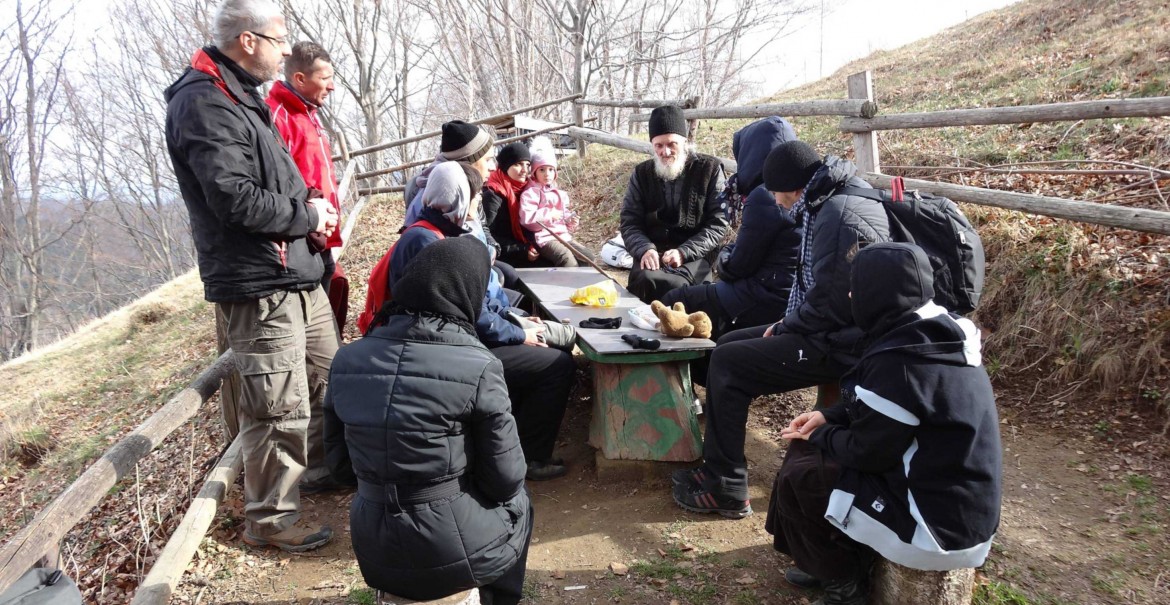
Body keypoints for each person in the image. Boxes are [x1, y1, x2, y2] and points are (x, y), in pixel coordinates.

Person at [164, 0, 337, 551]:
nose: (287, 50)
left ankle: (313, 480)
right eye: (280, 38)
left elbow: (274, 178)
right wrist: (307, 216)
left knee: (327, 377)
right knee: (277, 407)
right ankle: (272, 522)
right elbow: (233, 198)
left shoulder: (242, 96)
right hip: (261, 283)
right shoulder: (204, 102)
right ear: (248, 41)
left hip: (296, 274)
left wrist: (307, 203)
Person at [766, 242, 1002, 605]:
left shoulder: (904, 361)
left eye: (855, 287)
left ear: (877, 294)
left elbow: (868, 453)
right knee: (807, 449)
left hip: (935, 526)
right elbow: (891, 407)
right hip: (957, 498)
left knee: (807, 475)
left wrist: (823, 433)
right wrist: (828, 416)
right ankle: (822, 562)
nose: (849, 294)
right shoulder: (936, 332)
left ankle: (843, 584)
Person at [671, 140, 890, 518]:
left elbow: (831, 305)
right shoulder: (829, 200)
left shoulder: (836, 215)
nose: (773, 199)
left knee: (730, 362)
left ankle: (725, 484)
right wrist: (785, 322)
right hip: (830, 331)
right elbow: (818, 291)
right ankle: (719, 470)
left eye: (774, 191)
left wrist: (789, 325)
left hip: (843, 345)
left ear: (791, 186)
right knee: (727, 345)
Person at [326, 237, 532, 604]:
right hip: (449, 549)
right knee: (520, 501)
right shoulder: (480, 366)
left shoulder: (345, 361)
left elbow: (341, 470)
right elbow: (505, 480)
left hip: (374, 546)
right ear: (467, 291)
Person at [386, 162, 575, 481]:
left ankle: (512, 440)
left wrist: (515, 321)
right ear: (457, 199)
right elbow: (469, 316)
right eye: (473, 200)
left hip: (464, 337)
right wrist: (517, 335)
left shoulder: (439, 232)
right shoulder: (428, 242)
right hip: (447, 349)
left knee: (550, 346)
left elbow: (479, 303)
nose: (476, 209)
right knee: (556, 365)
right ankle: (530, 457)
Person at [660, 117, 802, 348]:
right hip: (784, 292)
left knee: (675, 300)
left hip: (762, 296)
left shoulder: (765, 196)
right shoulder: (797, 187)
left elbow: (739, 265)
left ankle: (677, 373)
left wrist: (724, 257)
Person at [266, 41, 349, 332]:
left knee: (326, 324)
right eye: (325, 78)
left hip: (321, 237)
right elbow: (276, 185)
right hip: (300, 241)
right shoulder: (276, 117)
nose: (332, 86)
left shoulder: (310, 114)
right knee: (309, 328)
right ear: (300, 79)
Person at [619, 105, 728, 304]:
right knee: (645, 280)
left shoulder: (709, 169)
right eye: (658, 145)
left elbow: (718, 223)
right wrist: (644, 248)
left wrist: (684, 252)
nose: (665, 151)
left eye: (672, 144)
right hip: (653, 250)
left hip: (696, 253)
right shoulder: (642, 173)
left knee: (678, 290)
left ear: (685, 142)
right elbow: (629, 221)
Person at [519, 152, 595, 267]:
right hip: (544, 238)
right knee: (567, 259)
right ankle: (567, 283)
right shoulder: (530, 193)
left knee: (587, 257)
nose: (547, 174)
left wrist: (570, 221)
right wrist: (548, 215)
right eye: (542, 170)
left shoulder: (558, 192)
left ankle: (583, 282)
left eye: (551, 169)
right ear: (534, 172)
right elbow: (527, 220)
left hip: (562, 235)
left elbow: (563, 215)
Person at [484, 142, 540, 266]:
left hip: (531, 246)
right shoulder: (493, 194)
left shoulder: (530, 190)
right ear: (505, 167)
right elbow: (487, 235)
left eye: (528, 164)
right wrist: (521, 250)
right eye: (518, 164)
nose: (524, 170)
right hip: (507, 255)